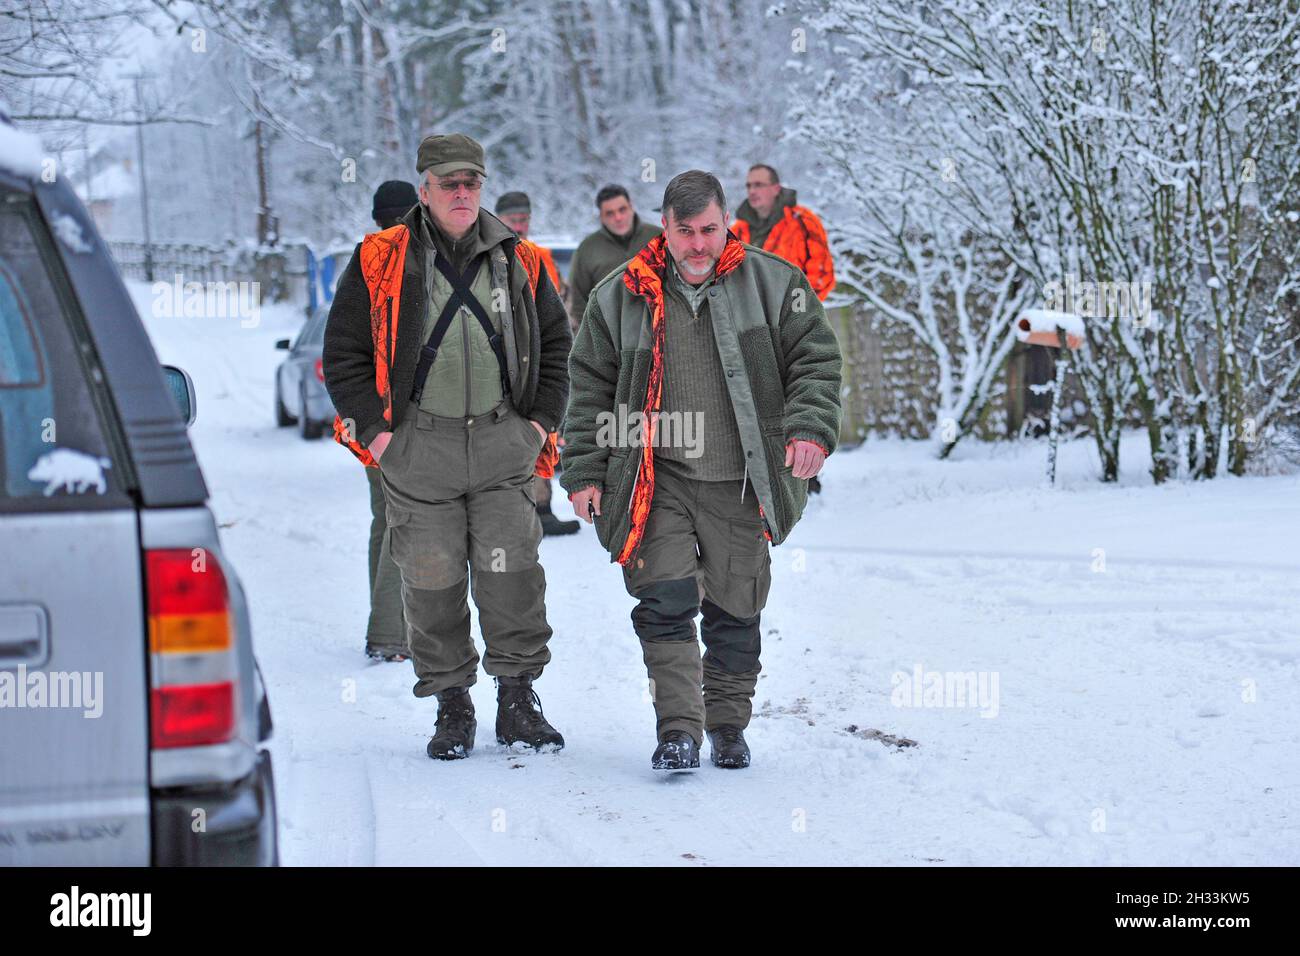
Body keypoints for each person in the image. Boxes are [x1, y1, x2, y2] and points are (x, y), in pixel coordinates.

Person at [561, 170, 842, 771]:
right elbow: (587, 388)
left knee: (736, 606)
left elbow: (817, 361)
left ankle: (728, 723)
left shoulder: (772, 283)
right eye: (684, 231)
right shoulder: (620, 294)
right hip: (651, 480)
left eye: (709, 230)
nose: (697, 245)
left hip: (739, 478)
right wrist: (584, 471)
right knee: (664, 600)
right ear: (663, 228)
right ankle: (678, 730)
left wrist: (810, 428)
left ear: (726, 224)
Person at [323, 133, 571, 760]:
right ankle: (451, 706)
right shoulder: (380, 258)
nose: (462, 193)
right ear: (425, 189)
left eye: (472, 182)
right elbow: (343, 354)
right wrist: (380, 437)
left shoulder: (525, 260)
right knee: (430, 579)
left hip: (501, 443)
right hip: (418, 449)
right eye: (448, 183)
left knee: (511, 573)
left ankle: (517, 702)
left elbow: (558, 348)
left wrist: (538, 425)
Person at [731, 164, 837, 494]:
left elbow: (821, 273)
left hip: (795, 323)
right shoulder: (739, 230)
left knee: (799, 390)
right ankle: (765, 466)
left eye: (759, 184)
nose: (752, 190)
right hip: (753, 328)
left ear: (777, 188)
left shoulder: (803, 222)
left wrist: (797, 313)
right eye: (749, 184)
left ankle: (807, 468)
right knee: (759, 395)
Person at [495, 190, 580, 537]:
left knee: (544, 432)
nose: (520, 224)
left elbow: (564, 304)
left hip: (543, 360)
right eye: (514, 219)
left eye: (525, 218)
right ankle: (515, 511)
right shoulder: (489, 256)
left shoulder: (540, 257)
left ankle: (543, 507)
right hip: (506, 366)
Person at [360, 181, 417, 661]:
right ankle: (392, 636)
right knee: (403, 524)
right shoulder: (404, 265)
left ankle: (384, 623)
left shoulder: (361, 262)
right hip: (398, 424)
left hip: (368, 425)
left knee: (385, 521)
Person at [567, 184, 661, 329]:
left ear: (631, 207)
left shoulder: (658, 238)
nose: (618, 217)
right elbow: (578, 301)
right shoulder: (587, 249)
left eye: (622, 210)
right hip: (610, 336)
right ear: (601, 217)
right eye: (610, 213)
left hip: (657, 330)